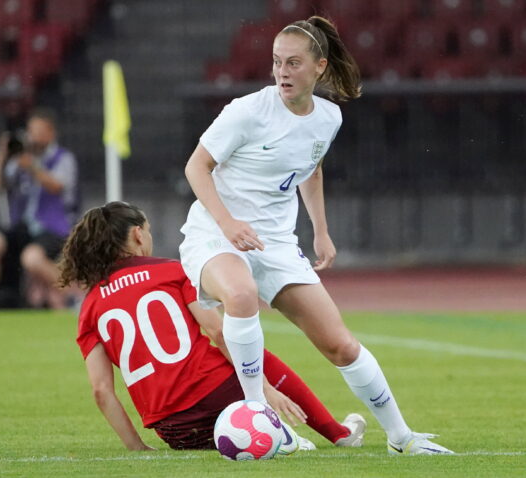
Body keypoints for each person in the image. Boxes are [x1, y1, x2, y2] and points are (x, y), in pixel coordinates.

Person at [179, 16, 452, 455]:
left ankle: (402, 438)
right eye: (276, 63)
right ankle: (259, 418)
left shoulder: (329, 117)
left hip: (277, 243)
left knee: (341, 345)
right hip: (215, 233)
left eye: (293, 63)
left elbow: (311, 168)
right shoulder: (246, 111)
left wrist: (321, 231)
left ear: (319, 67)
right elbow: (196, 167)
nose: (282, 73)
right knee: (242, 295)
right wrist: (229, 224)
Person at [59, 201, 366, 451]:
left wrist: (137, 448)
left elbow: (101, 391)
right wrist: (264, 388)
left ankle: (263, 435)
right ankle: (332, 433)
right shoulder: (171, 272)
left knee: (236, 368)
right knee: (252, 348)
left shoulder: (89, 307)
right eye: (149, 231)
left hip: (175, 432)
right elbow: (219, 332)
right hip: (219, 396)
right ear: (138, 234)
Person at [0, 108, 79, 310]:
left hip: (53, 228)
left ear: (50, 133)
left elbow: (56, 186)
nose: (33, 136)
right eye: (30, 131)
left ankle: (72, 297)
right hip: (22, 226)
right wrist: (3, 156)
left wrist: (32, 166)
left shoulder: (63, 158)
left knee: (32, 258)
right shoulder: (19, 160)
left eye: (38, 131)